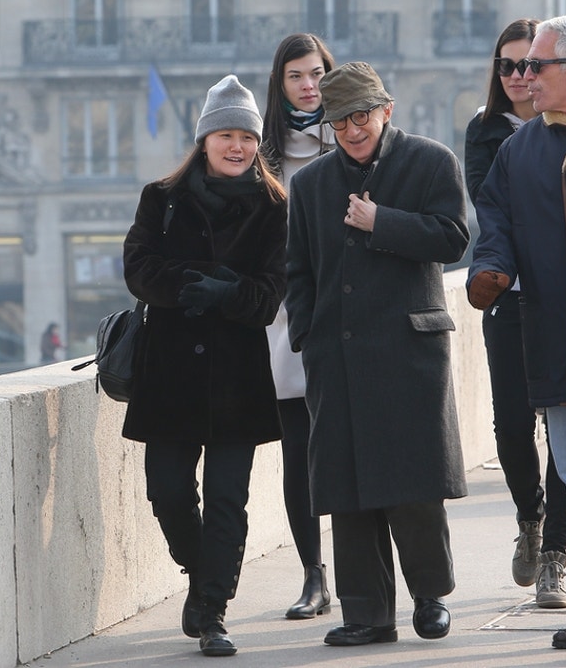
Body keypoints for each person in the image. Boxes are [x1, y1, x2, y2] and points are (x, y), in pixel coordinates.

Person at [285, 61, 470, 646]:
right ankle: (365, 613)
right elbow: (298, 271)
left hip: (407, 352)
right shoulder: (311, 184)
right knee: (348, 492)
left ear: (386, 109)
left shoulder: (431, 161)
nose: (351, 130)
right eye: (339, 121)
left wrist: (379, 220)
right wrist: (308, 337)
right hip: (334, 358)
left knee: (411, 486)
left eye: (361, 116)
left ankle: (430, 597)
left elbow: (454, 236)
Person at [467, 14, 566, 650]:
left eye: (537, 66)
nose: (522, 77)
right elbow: (495, 219)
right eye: (522, 66)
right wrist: (490, 269)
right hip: (554, 332)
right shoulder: (519, 148)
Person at [122, 74, 287, 657]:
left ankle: (213, 611)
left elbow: (268, 297)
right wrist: (186, 286)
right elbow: (137, 267)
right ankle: (201, 574)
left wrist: (225, 293)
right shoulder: (160, 199)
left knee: (225, 498)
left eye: (246, 135)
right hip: (168, 374)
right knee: (167, 491)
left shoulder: (273, 208)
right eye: (225, 135)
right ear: (205, 139)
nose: (236, 146)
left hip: (236, 378)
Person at [464, 18, 566, 609]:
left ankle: (556, 549)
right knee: (511, 424)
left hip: (562, 295)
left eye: (527, 65)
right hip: (504, 291)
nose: (516, 76)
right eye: (505, 66)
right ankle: (528, 517)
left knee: (563, 426)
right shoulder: (484, 133)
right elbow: (490, 205)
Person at [260, 33, 335, 620]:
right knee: (296, 454)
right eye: (296, 76)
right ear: (279, 83)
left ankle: (371, 569)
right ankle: (313, 575)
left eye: (316, 74)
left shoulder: (354, 136)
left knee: (357, 448)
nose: (308, 85)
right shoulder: (264, 152)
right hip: (285, 319)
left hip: (348, 314)